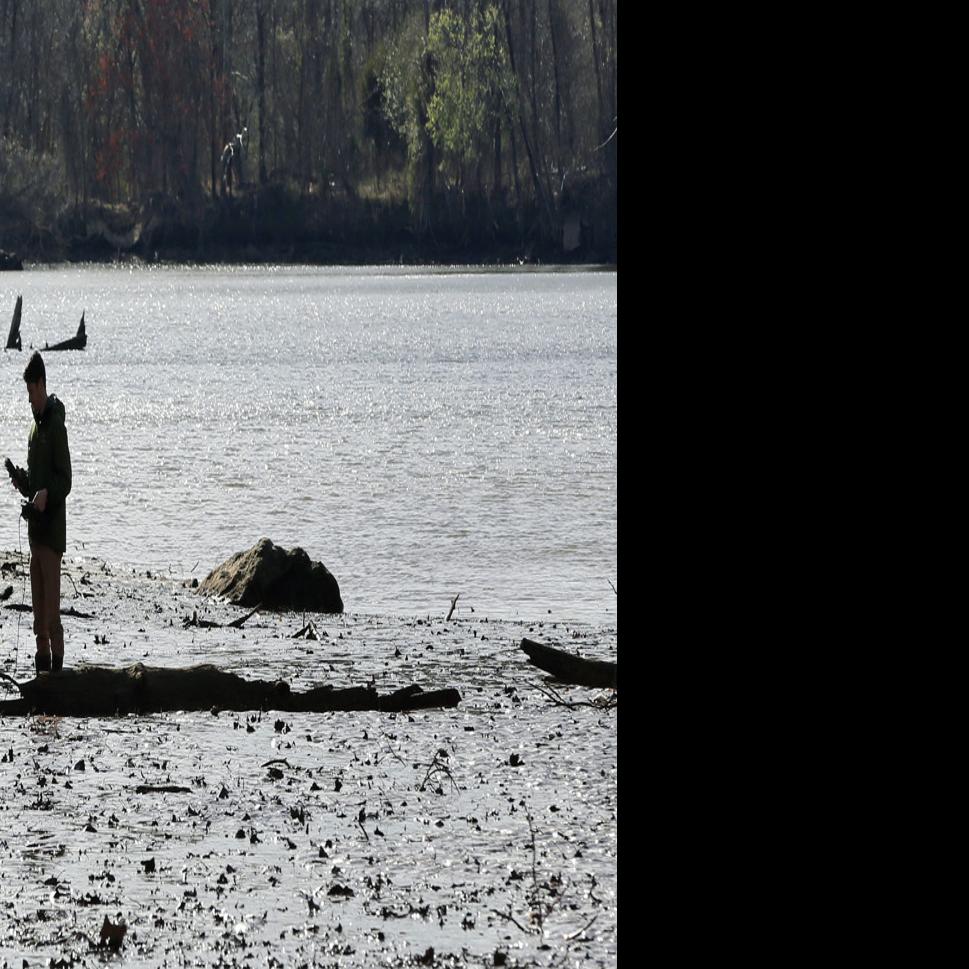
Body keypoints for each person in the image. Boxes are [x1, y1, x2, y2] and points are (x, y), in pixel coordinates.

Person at [8, 352, 72, 673]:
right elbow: (36, 482)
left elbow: (66, 480)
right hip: (35, 534)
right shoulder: (34, 432)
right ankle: (42, 672)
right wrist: (23, 481)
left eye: (31, 392)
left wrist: (48, 494)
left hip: (52, 533)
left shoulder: (56, 425)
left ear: (42, 385)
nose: (29, 399)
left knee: (51, 614)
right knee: (37, 615)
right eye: (27, 393)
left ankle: (58, 678)